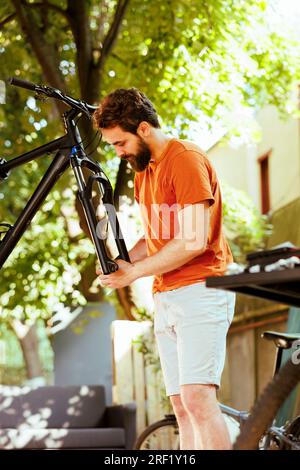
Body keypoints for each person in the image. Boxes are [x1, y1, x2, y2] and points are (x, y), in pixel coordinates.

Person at [93, 88, 235, 450]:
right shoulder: (145, 173)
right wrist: (123, 263)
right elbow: (158, 236)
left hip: (203, 288)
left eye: (119, 143)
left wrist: (134, 273)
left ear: (142, 129)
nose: (118, 152)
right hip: (166, 294)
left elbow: (192, 240)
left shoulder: (184, 159)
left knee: (199, 399)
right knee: (182, 406)